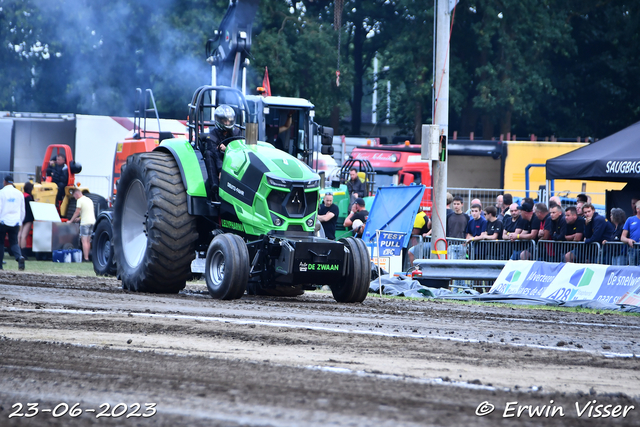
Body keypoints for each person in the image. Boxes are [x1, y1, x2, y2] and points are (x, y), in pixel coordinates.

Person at [201, 105, 241, 194]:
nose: (227, 123)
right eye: (225, 121)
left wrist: (227, 149)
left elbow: (240, 150)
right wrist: (220, 171)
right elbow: (215, 153)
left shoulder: (237, 133)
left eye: (229, 121)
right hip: (217, 161)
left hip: (233, 160)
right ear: (219, 120)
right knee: (208, 153)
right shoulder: (212, 135)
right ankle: (214, 187)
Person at [0, 175, 26, 270]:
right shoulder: (19, 194)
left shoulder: (1, 193)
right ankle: (19, 257)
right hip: (15, 221)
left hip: (3, 221)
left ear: (4, 182)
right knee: (14, 242)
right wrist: (20, 221)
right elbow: (22, 210)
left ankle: (0, 265)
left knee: (1, 243)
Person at [68, 188, 96, 262]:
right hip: (92, 222)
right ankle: (88, 257)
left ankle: (86, 258)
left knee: (84, 241)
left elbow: (77, 212)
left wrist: (71, 221)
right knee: (88, 241)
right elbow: (88, 211)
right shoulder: (89, 200)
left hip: (85, 223)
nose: (75, 198)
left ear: (76, 194)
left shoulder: (79, 200)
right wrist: (80, 218)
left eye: (74, 196)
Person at [621, 200, 640, 265]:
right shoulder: (630, 219)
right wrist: (628, 240)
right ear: (637, 209)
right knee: (633, 269)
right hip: (633, 249)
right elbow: (622, 237)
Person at [18, 182, 34, 257]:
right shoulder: (29, 197)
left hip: (21, 217)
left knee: (19, 235)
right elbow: (31, 207)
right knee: (24, 236)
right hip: (28, 218)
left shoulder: (21, 196)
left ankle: (17, 252)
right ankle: (23, 253)